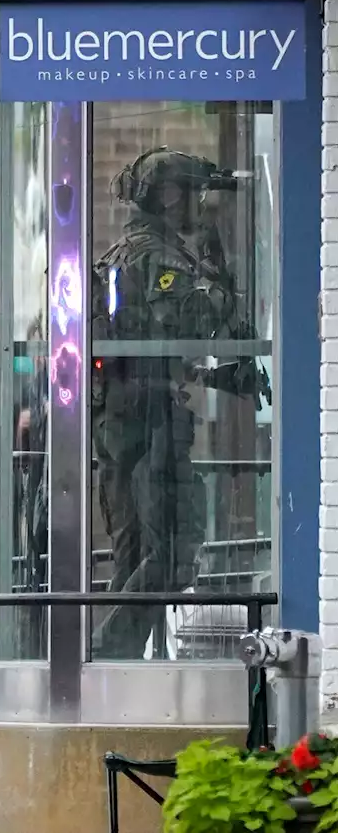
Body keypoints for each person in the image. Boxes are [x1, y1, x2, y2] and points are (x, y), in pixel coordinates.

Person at [88, 146, 264, 658]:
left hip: (124, 417)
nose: (201, 206)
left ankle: (109, 664)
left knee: (136, 553)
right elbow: (194, 323)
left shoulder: (126, 252)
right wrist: (218, 273)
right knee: (173, 550)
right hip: (149, 420)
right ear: (168, 196)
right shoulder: (159, 257)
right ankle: (107, 652)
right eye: (194, 193)